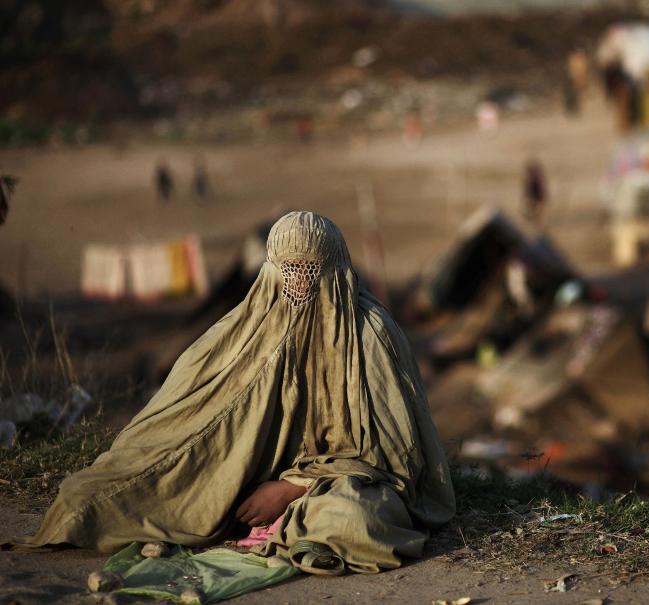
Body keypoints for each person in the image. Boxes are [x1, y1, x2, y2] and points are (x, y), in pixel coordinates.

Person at [18, 212, 456, 576]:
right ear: (271, 270)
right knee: (89, 500)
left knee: (355, 520)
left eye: (308, 273)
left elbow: (396, 458)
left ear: (335, 269)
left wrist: (291, 487)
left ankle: (284, 523)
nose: (298, 286)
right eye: (288, 271)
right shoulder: (244, 329)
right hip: (243, 478)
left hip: (333, 487)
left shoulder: (371, 334)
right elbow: (188, 419)